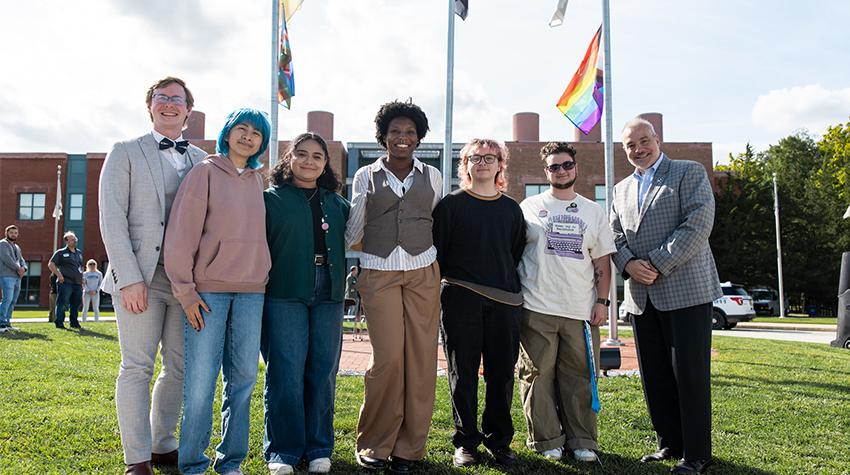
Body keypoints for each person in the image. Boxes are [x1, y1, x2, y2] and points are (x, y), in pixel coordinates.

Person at [99, 76, 207, 475]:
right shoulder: (125, 152)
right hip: (139, 277)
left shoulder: (201, 160)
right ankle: (137, 459)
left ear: (188, 110)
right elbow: (112, 217)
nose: (168, 104)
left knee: (178, 367)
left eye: (176, 99)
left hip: (185, 283)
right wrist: (129, 278)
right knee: (137, 367)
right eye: (161, 98)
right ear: (150, 106)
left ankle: (164, 445)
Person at [164, 107, 272, 475]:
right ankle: (193, 463)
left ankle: (231, 462)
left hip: (253, 293)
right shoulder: (204, 173)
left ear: (263, 142)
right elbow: (181, 234)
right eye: (241, 128)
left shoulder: (260, 181)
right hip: (207, 294)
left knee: (242, 380)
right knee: (200, 382)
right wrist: (185, 290)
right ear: (227, 133)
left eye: (256, 133)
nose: (247, 136)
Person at [610, 118, 721, 474]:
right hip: (641, 296)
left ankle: (697, 454)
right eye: (631, 145)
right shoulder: (621, 188)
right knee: (654, 376)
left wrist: (656, 263)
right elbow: (614, 235)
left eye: (644, 141)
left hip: (686, 290)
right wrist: (628, 265)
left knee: (689, 374)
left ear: (657, 140)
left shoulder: (688, 172)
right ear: (624, 149)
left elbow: (698, 223)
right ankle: (669, 443)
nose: (638, 149)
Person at [346, 100, 443, 473]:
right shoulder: (365, 175)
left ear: (419, 138)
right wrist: (353, 260)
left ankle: (409, 449)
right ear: (383, 136)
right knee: (387, 360)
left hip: (422, 270)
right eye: (395, 132)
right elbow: (355, 222)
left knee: (420, 360)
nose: (403, 138)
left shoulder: (432, 176)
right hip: (378, 270)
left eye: (410, 132)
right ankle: (375, 443)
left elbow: (436, 221)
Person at [516, 142, 616, 464]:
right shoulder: (528, 207)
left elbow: (602, 262)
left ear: (576, 167)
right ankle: (546, 440)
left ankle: (582, 440)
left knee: (580, 377)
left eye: (566, 165)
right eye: (554, 166)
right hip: (537, 307)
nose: (561, 171)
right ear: (546, 172)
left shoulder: (593, 211)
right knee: (537, 376)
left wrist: (602, 302)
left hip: (580, 310)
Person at [431, 139, 526, 467]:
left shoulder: (512, 209)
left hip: (505, 303)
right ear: (466, 164)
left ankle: (499, 441)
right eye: (476, 157)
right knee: (464, 372)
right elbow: (438, 254)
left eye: (490, 157)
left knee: (501, 375)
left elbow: (513, 252)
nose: (483, 162)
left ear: (500, 164)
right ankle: (467, 441)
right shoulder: (450, 205)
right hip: (460, 299)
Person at [262, 132, 350, 475]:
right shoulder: (270, 200)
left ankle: (318, 448)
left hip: (329, 291)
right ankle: (283, 451)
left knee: (323, 371)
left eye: (317, 156)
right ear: (289, 158)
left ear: (325, 163)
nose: (309, 161)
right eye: (302, 154)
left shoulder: (338, 203)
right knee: (285, 371)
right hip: (285, 290)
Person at [48, 231, 84, 330]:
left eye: (75, 238)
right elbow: (51, 264)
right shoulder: (61, 253)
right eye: (72, 239)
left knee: (75, 304)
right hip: (65, 282)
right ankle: (59, 322)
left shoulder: (79, 253)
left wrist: (82, 278)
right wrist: (59, 275)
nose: (75, 240)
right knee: (62, 303)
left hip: (77, 283)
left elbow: (81, 267)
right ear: (66, 241)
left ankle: (74, 322)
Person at [0, 225, 27, 332]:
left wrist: (24, 268)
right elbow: (7, 259)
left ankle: (7, 322)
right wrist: (18, 269)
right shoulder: (2, 244)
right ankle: (1, 324)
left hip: (17, 277)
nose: (14, 235)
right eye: (11, 233)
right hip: (6, 276)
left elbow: (22, 260)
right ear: (6, 233)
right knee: (7, 299)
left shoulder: (17, 247)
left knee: (13, 301)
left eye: (15, 233)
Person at [344, 266, 364, 341]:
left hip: (356, 296)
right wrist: (350, 297)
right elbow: (349, 288)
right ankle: (349, 320)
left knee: (355, 310)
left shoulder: (354, 277)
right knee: (351, 309)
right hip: (351, 297)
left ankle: (352, 321)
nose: (357, 272)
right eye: (356, 270)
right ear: (353, 270)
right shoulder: (349, 277)